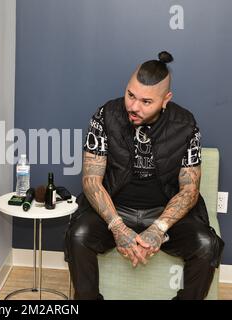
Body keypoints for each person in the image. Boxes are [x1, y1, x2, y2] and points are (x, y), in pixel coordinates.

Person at [64, 51, 224, 300]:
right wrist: (117, 227)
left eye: (146, 102)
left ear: (165, 100)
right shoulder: (105, 116)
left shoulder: (186, 124)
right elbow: (91, 181)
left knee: (206, 244)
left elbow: (189, 190)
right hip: (116, 207)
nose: (133, 106)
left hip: (163, 211)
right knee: (78, 235)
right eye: (130, 95)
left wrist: (158, 228)